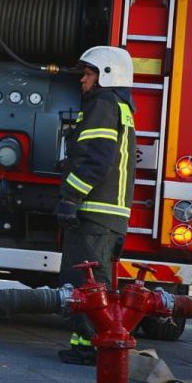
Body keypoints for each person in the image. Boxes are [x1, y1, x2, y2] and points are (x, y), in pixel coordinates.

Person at [56, 46, 137, 366]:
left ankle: (93, 347)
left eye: (88, 74)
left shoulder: (103, 104)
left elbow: (96, 159)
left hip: (96, 210)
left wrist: (71, 197)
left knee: (89, 284)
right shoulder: (118, 105)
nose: (83, 81)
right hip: (107, 212)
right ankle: (86, 343)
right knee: (88, 282)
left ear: (106, 74)